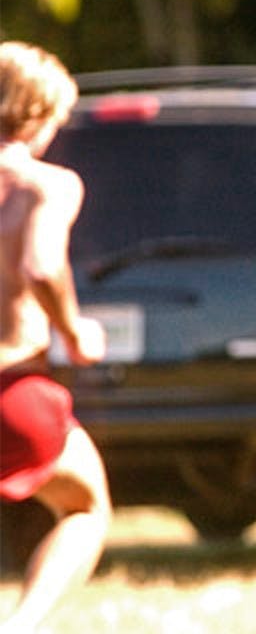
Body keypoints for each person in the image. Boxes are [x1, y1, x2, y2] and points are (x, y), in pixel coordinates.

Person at [0, 41, 111, 633]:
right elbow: (42, 266)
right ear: (38, 114)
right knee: (87, 506)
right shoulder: (45, 185)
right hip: (12, 387)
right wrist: (74, 330)